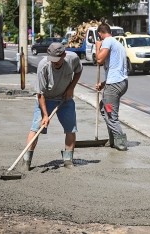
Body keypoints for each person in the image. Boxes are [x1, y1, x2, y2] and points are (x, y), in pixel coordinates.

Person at [21, 42, 83, 170]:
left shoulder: (72, 58)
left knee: (71, 128)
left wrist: (71, 88)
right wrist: (45, 115)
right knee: (36, 127)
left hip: (65, 99)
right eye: (52, 59)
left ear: (64, 55)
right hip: (46, 98)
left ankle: (68, 160)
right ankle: (26, 162)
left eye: (57, 60)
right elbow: (40, 93)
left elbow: (79, 70)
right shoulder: (43, 65)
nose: (54, 62)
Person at [95, 21, 129, 151]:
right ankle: (113, 140)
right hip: (120, 83)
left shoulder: (107, 41)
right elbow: (115, 68)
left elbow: (99, 60)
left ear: (100, 34)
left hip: (114, 86)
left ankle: (121, 143)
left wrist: (98, 46)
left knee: (111, 115)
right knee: (104, 108)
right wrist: (104, 84)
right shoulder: (118, 44)